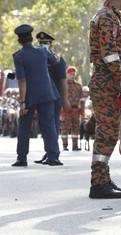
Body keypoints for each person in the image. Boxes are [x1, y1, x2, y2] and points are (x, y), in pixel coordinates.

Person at [88, 0, 121, 199]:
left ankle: (103, 178)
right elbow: (110, 54)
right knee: (106, 132)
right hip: (106, 81)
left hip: (107, 80)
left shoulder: (110, 15)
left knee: (109, 132)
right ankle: (98, 183)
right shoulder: (106, 16)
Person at [11, 24, 63, 167]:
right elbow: (56, 60)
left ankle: (22, 158)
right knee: (48, 125)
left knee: (24, 126)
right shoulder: (43, 51)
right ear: (31, 38)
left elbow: (22, 80)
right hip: (47, 94)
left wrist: (22, 102)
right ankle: (53, 157)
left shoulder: (18, 56)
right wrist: (58, 51)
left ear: (19, 41)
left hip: (29, 96)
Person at [34, 31, 71, 164]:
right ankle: (48, 152)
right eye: (41, 43)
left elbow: (63, 81)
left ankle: (53, 154)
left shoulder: (59, 61)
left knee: (53, 126)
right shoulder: (39, 59)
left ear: (50, 45)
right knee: (44, 127)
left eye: (45, 44)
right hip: (43, 98)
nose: (43, 46)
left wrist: (65, 99)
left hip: (55, 98)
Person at [60, 66, 83, 151]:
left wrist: (82, 110)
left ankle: (75, 145)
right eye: (70, 74)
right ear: (67, 74)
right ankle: (65, 145)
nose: (72, 75)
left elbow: (81, 98)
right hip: (65, 109)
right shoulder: (63, 84)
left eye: (74, 74)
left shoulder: (78, 85)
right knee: (65, 127)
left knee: (76, 127)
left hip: (75, 109)